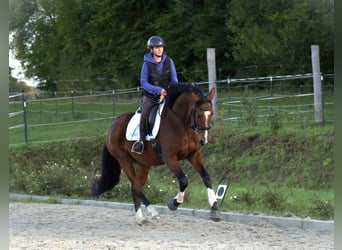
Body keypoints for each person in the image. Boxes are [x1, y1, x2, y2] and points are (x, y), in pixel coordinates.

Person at [131, 35, 179, 154]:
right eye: (156, 48)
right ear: (151, 49)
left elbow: (174, 79)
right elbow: (144, 83)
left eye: (161, 47)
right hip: (151, 96)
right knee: (145, 112)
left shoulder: (169, 61)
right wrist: (158, 90)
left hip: (167, 93)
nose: (159, 49)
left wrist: (170, 89)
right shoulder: (146, 64)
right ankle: (141, 142)